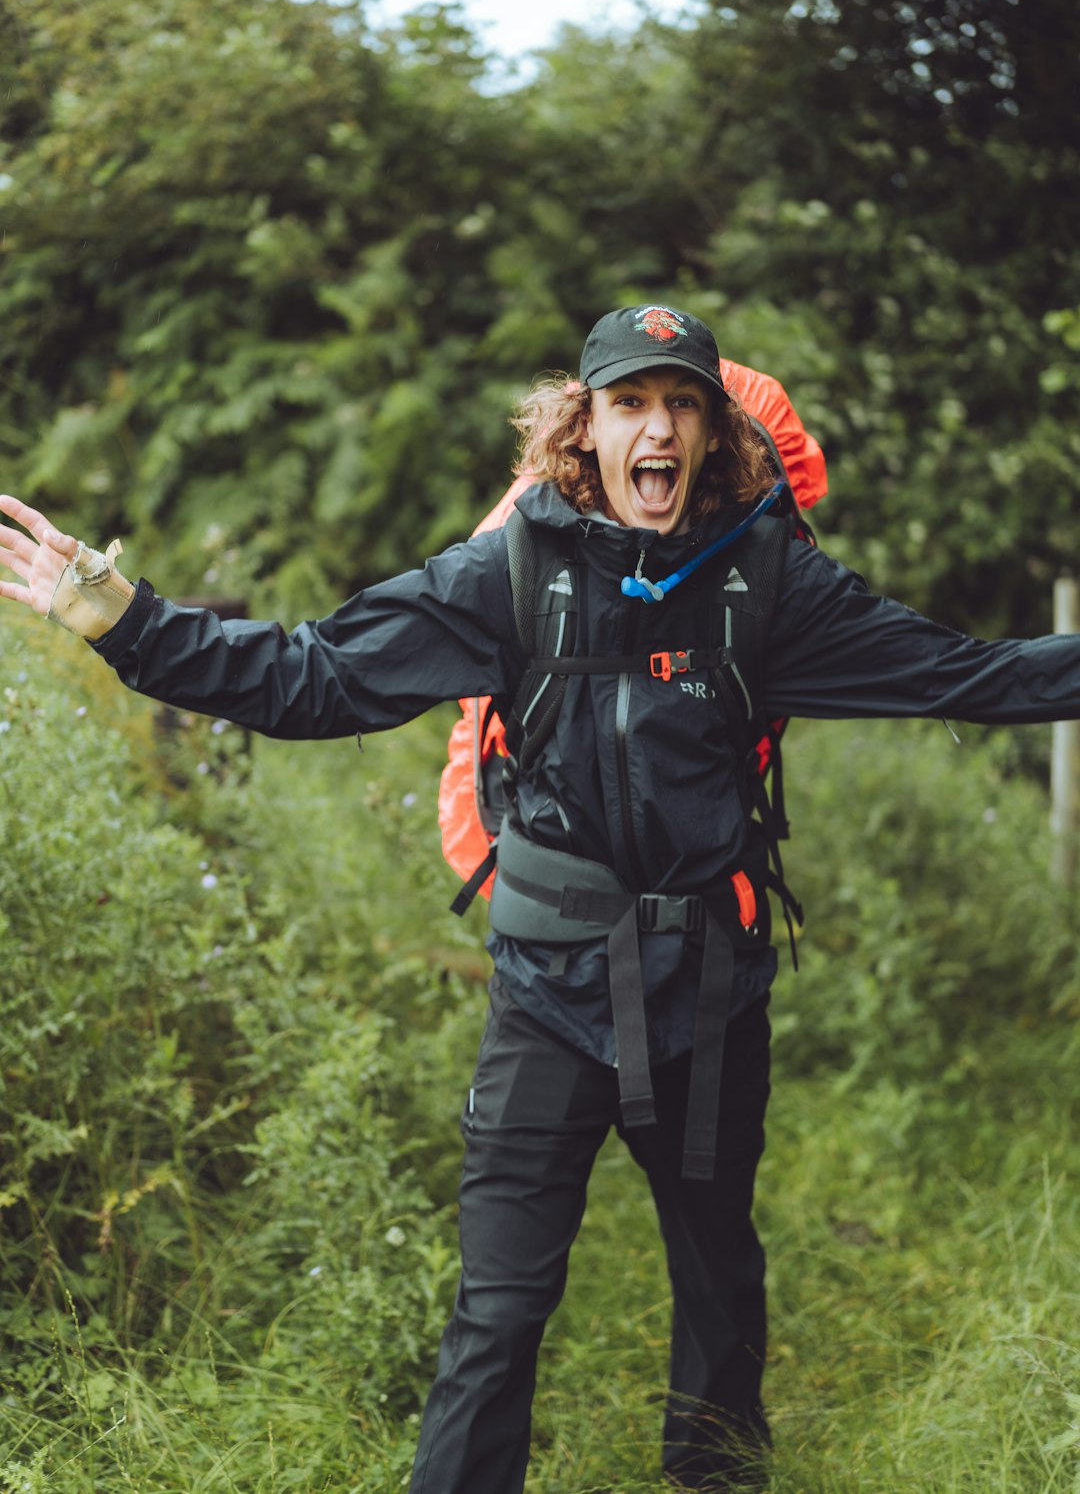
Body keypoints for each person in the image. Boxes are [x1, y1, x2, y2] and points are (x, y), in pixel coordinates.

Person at [3, 303, 1079, 1494]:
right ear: (585, 426)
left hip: (711, 988)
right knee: (500, 1308)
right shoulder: (512, 568)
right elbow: (313, 677)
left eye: (682, 404)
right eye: (631, 404)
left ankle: (713, 1476)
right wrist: (121, 619)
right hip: (550, 991)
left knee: (720, 1274)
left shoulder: (769, 581)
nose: (657, 429)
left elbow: (963, 675)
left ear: (714, 432)